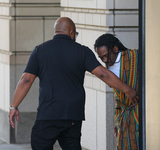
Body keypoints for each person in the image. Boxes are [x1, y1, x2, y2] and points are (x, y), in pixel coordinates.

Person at [9, 17, 138, 150]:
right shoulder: (82, 51)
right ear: (71, 32)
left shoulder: (40, 50)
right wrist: (128, 90)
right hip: (72, 116)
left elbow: (26, 80)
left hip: (48, 114)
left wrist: (14, 106)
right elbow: (102, 73)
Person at [94, 34, 139, 150]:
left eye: (106, 56)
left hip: (142, 112)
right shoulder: (106, 69)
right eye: (101, 58)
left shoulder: (136, 56)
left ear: (115, 48)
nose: (105, 60)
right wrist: (117, 121)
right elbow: (118, 98)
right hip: (124, 117)